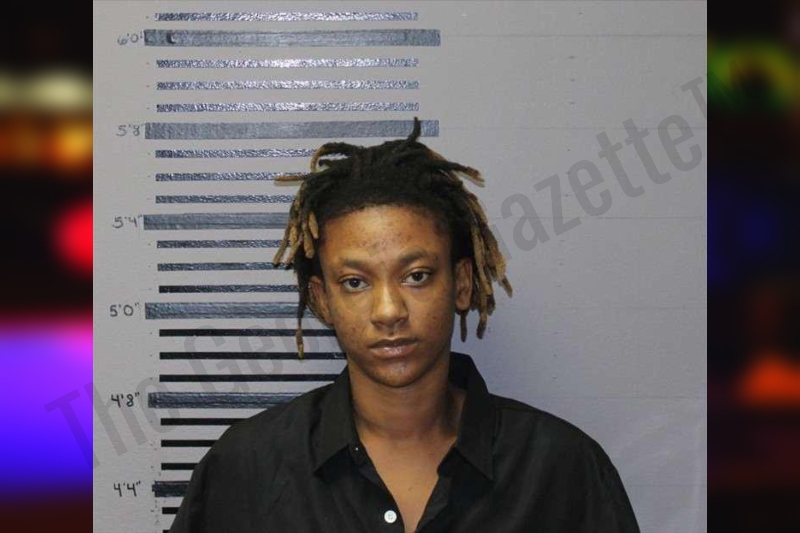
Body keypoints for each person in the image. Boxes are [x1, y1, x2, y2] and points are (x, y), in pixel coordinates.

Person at [168, 118, 641, 532]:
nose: (389, 310)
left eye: (416, 276)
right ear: (323, 300)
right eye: (355, 282)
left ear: (461, 284)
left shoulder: (561, 470)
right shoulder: (247, 469)